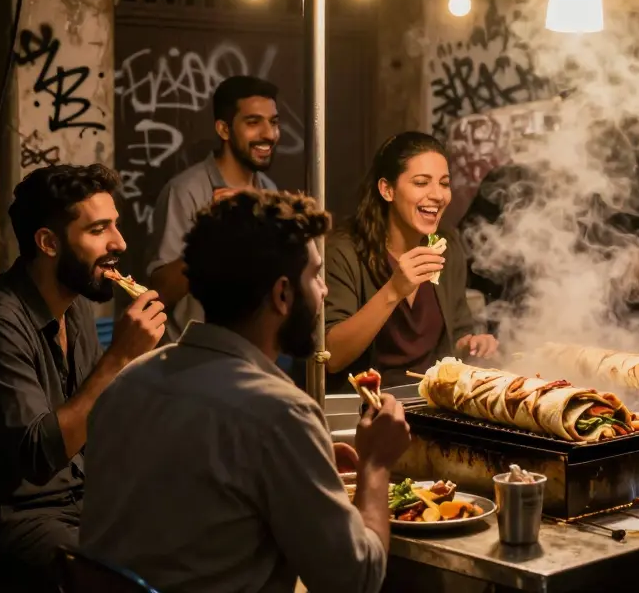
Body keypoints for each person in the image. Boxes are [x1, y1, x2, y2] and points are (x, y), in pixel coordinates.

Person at [81, 190, 407, 592]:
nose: (323, 291)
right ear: (282, 294)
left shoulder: (128, 383)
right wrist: (376, 465)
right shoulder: (279, 413)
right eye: (315, 275)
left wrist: (310, 462)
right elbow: (355, 581)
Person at [0, 164, 165, 591]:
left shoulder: (76, 306)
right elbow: (38, 456)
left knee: (197, 535)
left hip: (80, 500)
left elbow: (96, 420)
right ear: (48, 243)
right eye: (98, 229)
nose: (119, 243)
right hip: (7, 523)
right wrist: (119, 356)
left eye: (116, 226)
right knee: (124, 579)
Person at [320, 132, 498, 390]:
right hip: (365, 409)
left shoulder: (447, 246)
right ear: (387, 189)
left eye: (444, 183)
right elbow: (332, 356)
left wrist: (470, 344)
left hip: (430, 404)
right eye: (421, 182)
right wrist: (394, 290)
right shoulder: (343, 251)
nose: (437, 195)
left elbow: (457, 333)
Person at [146, 75, 281, 342]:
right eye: (253, 122)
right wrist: (213, 234)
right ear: (224, 129)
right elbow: (157, 293)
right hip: (192, 362)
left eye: (273, 122)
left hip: (252, 356)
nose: (269, 134)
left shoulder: (270, 191)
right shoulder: (185, 191)